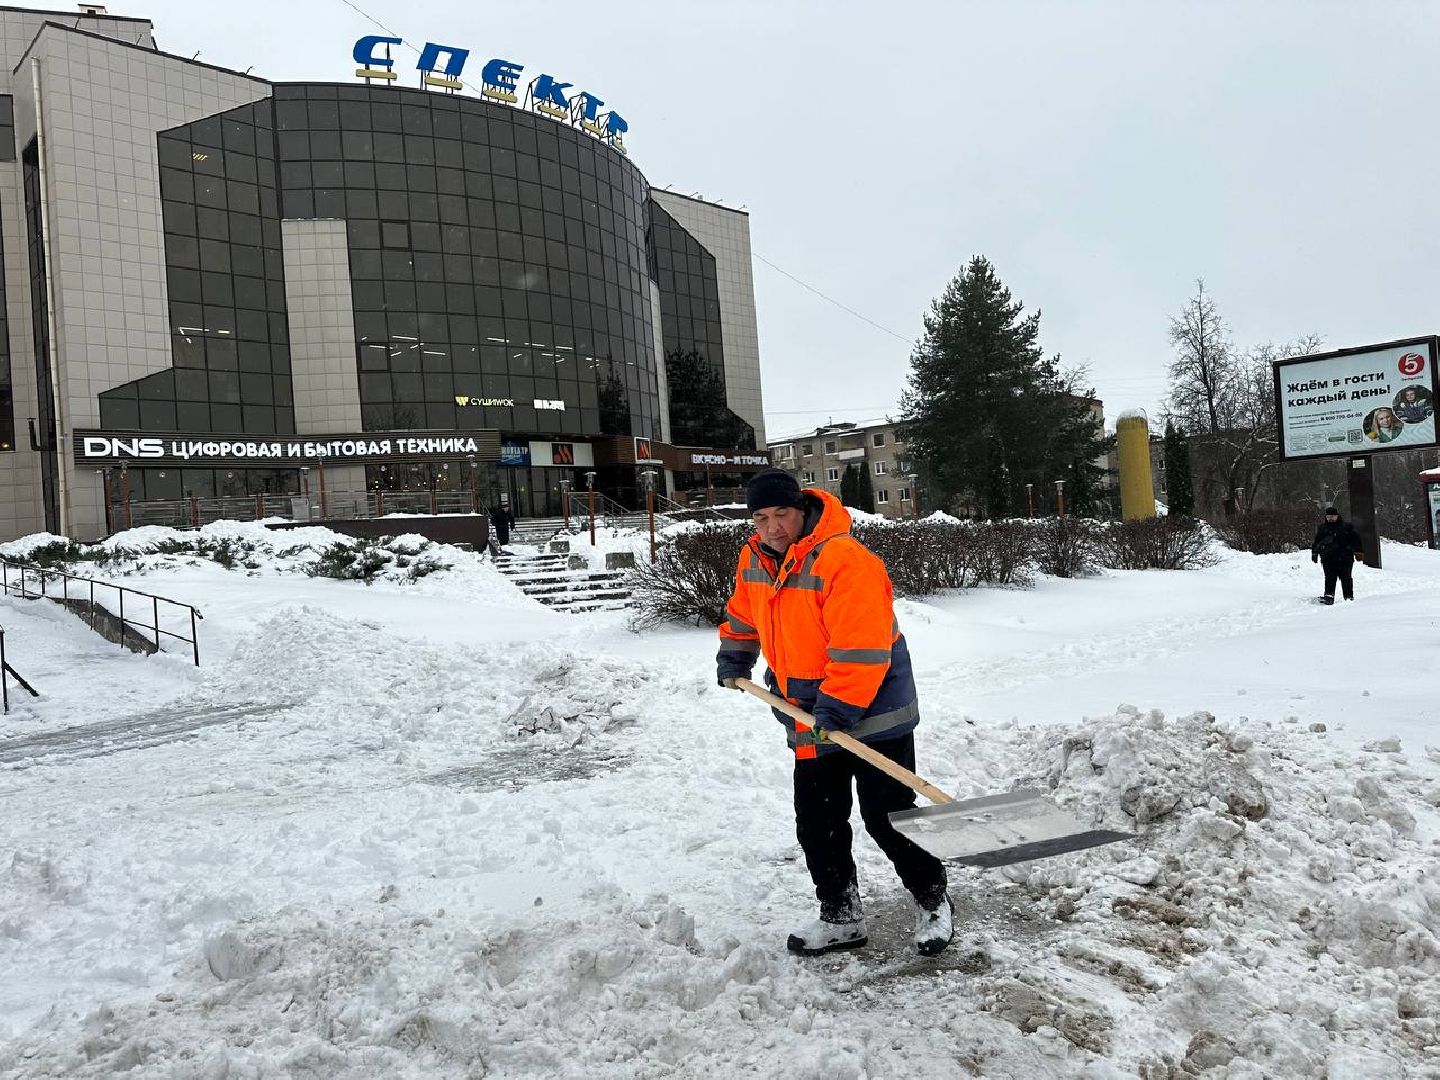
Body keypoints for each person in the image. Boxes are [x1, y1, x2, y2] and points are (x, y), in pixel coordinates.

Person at [716, 468, 952, 957]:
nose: (772, 526)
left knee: (888, 818)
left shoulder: (846, 560)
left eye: (781, 513)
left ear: (801, 509)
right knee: (818, 821)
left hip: (873, 712)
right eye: (760, 517)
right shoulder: (755, 558)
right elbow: (744, 613)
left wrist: (838, 710)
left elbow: (862, 648)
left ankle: (933, 900)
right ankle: (841, 916)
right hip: (807, 714)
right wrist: (735, 656)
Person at [1311, 506, 1363, 604]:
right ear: (1326, 517)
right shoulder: (1322, 528)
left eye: (1333, 516)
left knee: (1346, 578)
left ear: (1337, 516)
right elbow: (1317, 541)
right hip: (1328, 558)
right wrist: (1314, 553)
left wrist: (1358, 551)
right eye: (1329, 516)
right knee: (1330, 577)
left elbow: (1356, 539)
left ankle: (1348, 597)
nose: (1331, 518)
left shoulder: (1347, 527)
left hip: (1345, 558)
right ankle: (1329, 596)